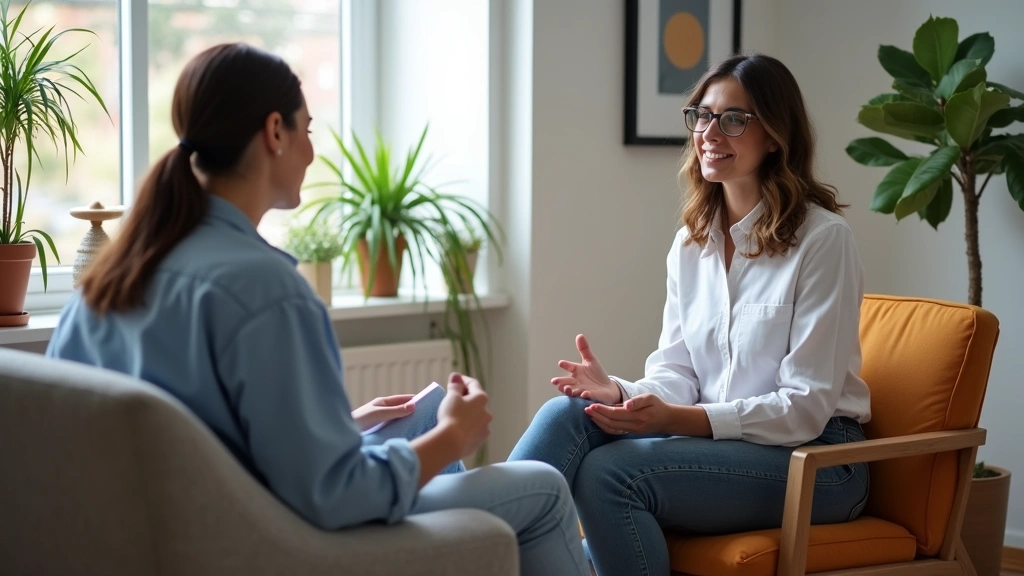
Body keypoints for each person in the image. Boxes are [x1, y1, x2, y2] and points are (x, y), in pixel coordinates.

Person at [46, 43, 589, 576]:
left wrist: (348, 425)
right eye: (307, 130)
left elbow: (204, 445)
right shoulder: (266, 291)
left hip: (175, 537)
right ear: (274, 131)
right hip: (274, 544)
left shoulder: (108, 282)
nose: (310, 150)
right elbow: (334, 496)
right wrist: (452, 438)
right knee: (541, 487)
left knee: (409, 419)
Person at [508, 53, 872, 576]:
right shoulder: (691, 243)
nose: (710, 132)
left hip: (819, 461)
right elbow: (677, 371)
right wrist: (621, 394)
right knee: (567, 414)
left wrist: (678, 420)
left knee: (611, 474)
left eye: (733, 119)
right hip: (727, 446)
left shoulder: (822, 240)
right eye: (702, 115)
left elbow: (805, 408)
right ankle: (473, 543)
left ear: (774, 135)